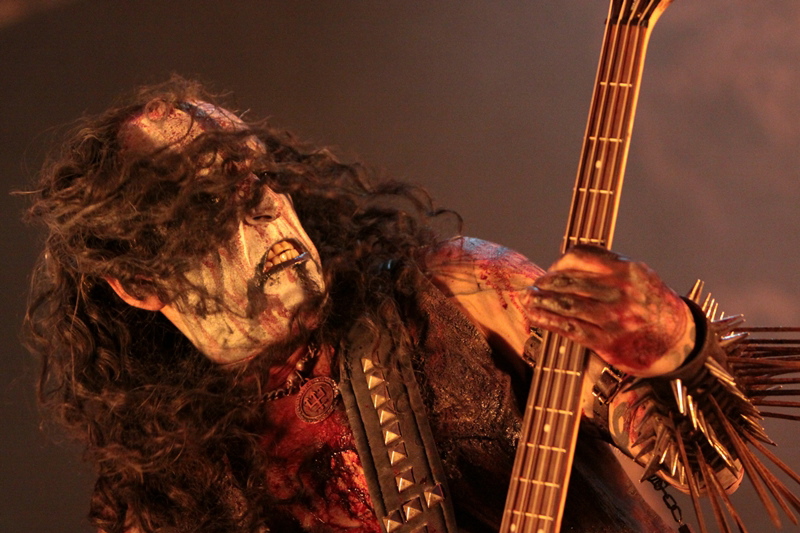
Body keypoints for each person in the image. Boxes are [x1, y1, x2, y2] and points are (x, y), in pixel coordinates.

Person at [22, 78, 793, 533]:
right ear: (140, 282)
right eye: (207, 205)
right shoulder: (162, 501)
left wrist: (671, 342)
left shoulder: (452, 289)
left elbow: (707, 466)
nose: (264, 208)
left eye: (258, 176)